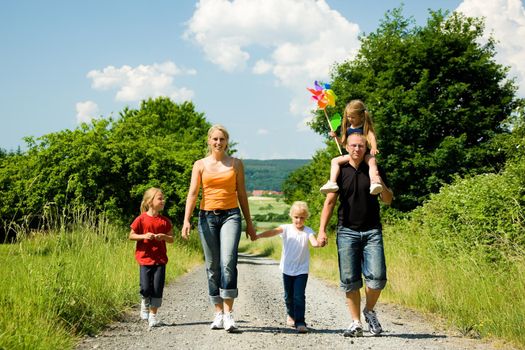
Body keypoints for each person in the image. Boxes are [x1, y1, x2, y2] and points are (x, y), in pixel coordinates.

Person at [317, 133, 393, 337]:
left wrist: (380, 184)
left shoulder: (374, 168)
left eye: (361, 146)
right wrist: (322, 230)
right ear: (347, 147)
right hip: (347, 231)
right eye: (353, 145)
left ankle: (368, 311)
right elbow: (330, 202)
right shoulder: (340, 170)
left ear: (365, 148)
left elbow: (387, 200)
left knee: (377, 278)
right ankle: (356, 322)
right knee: (350, 279)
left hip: (372, 230)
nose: (357, 149)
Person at [182, 124, 256, 333]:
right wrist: (186, 220)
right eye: (215, 139)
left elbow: (242, 194)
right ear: (209, 141)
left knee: (228, 262)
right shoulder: (200, 165)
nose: (218, 143)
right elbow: (193, 193)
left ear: (227, 142)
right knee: (212, 266)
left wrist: (249, 223)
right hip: (206, 217)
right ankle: (218, 313)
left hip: (231, 216)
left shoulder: (235, 164)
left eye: (222, 139)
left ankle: (229, 313)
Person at [255, 201, 321, 334]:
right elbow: (273, 232)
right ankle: (291, 315)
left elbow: (314, 242)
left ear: (306, 217)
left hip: (302, 269)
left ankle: (300, 322)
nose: (299, 220)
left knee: (299, 295)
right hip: (287, 268)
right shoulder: (286, 228)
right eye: (296, 217)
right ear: (292, 216)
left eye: (302, 217)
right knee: (288, 296)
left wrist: (319, 243)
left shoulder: (308, 231)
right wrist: (258, 235)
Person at [129, 187, 174, 328]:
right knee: (145, 287)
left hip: (160, 260)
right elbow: (131, 235)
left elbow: (171, 239)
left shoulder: (165, 221)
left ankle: (153, 316)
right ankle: (144, 302)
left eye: (163, 198)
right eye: (160, 198)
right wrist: (143, 236)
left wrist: (164, 237)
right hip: (145, 259)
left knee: (157, 288)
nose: (163, 201)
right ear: (150, 202)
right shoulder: (141, 219)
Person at [320, 100, 383, 196]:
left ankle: (374, 182)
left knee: (372, 161)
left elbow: (372, 137)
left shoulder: (365, 127)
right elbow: (343, 143)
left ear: (361, 116)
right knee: (334, 161)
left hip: (364, 154)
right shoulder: (348, 129)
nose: (350, 119)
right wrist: (336, 137)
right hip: (352, 156)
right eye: (348, 116)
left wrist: (374, 147)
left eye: (352, 117)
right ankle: (332, 182)